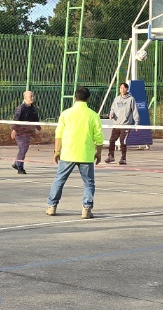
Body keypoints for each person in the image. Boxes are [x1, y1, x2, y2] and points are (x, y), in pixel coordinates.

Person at [46, 86, 103, 219]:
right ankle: (86, 209)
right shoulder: (93, 115)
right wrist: (98, 153)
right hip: (86, 154)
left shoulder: (65, 114)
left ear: (74, 98)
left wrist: (56, 151)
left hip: (68, 153)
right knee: (89, 183)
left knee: (59, 180)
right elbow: (99, 137)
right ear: (88, 99)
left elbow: (58, 134)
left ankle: (51, 206)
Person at [105, 83, 138, 165]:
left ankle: (123, 158)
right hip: (116, 124)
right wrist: (111, 114)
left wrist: (136, 123)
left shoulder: (131, 99)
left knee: (123, 141)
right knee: (112, 140)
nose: (122, 90)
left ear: (127, 89)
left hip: (126, 125)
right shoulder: (116, 99)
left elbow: (135, 111)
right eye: (121, 88)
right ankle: (111, 156)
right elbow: (112, 109)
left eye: (124, 88)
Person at [10, 90, 40, 174]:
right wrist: (14, 130)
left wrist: (39, 129)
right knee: (23, 148)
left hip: (28, 132)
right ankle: (20, 167)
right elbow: (16, 119)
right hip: (20, 132)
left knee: (24, 149)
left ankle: (17, 163)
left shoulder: (33, 109)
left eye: (33, 96)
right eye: (31, 96)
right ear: (25, 98)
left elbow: (36, 120)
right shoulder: (21, 108)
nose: (32, 98)